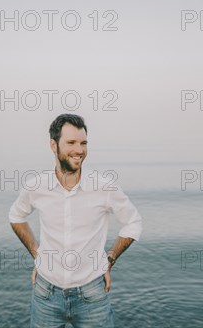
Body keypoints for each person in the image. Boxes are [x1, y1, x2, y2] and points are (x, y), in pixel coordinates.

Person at [8, 113, 143, 328]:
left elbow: (133, 222)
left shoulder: (104, 187)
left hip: (92, 294)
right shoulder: (36, 186)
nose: (79, 150)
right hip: (45, 293)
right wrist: (37, 253)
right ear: (54, 145)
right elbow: (16, 216)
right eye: (71, 142)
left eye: (83, 143)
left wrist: (109, 260)